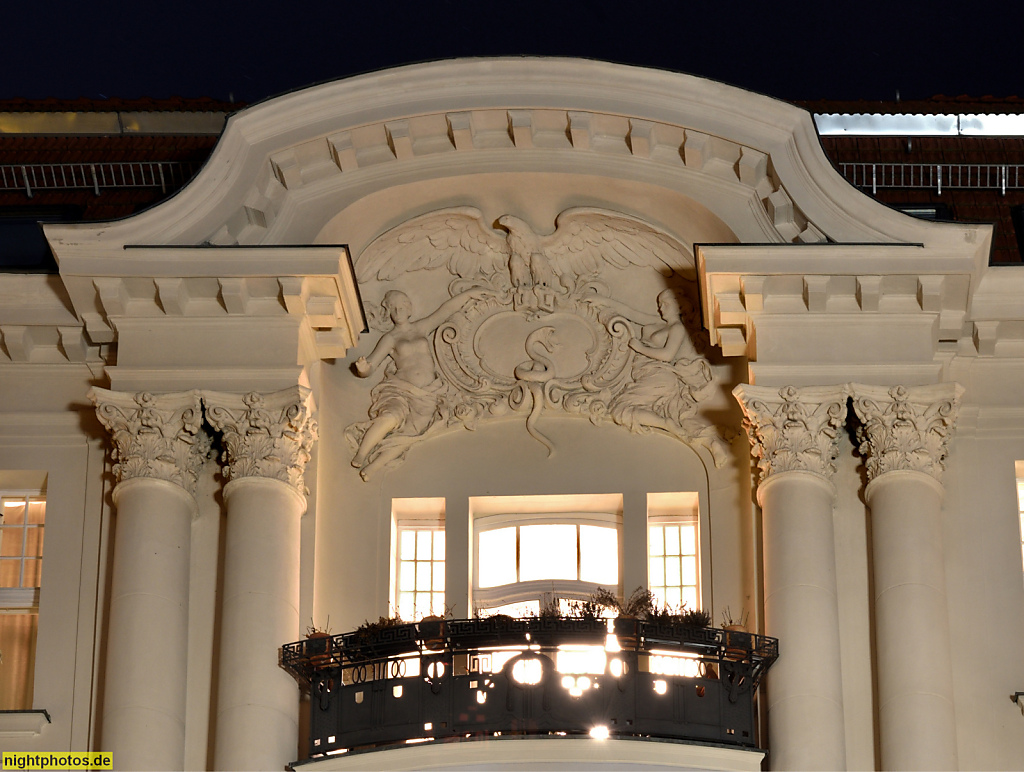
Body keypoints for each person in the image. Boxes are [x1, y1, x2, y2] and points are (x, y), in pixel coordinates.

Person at [349, 287, 490, 476]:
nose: (398, 312)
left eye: (401, 307)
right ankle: (361, 453)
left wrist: (468, 295)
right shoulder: (390, 338)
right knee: (390, 417)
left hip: (428, 394)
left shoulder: (421, 327)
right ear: (389, 311)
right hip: (401, 389)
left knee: (411, 434)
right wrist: (364, 369)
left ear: (409, 308)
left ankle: (373, 467)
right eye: (394, 308)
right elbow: (372, 364)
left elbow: (445, 310)